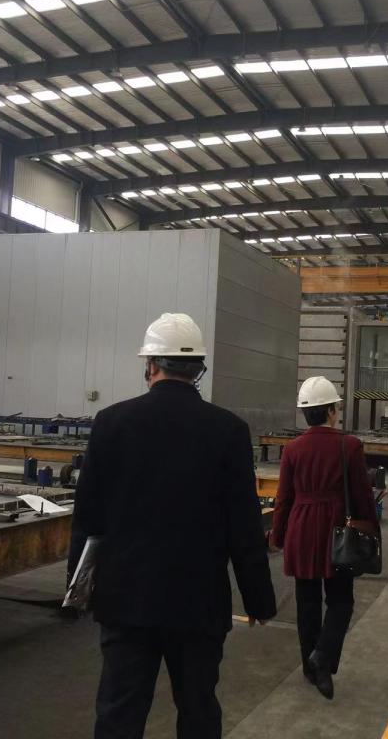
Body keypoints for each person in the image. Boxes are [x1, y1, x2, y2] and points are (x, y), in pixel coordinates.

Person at [68, 312, 277, 739]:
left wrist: (77, 589)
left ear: (150, 365)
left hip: (126, 600)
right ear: (198, 369)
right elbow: (244, 526)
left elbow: (87, 518)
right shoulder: (229, 430)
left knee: (119, 715)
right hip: (198, 603)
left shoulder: (111, 423)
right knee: (198, 711)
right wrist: (258, 599)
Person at [271, 376, 376, 700]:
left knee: (307, 602)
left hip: (301, 528)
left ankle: (311, 666)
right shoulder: (349, 445)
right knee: (341, 600)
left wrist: (278, 534)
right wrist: (370, 528)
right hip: (337, 529)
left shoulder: (293, 449)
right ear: (331, 411)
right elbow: (362, 494)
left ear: (306, 413)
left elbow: (284, 498)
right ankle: (323, 657)